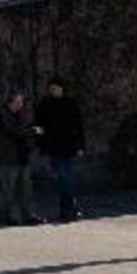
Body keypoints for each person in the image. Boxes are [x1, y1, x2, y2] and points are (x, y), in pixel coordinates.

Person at [36, 75, 85, 222]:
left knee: (68, 179)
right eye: (51, 89)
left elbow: (78, 126)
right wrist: (41, 142)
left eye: (56, 88)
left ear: (62, 88)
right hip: (54, 148)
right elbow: (38, 125)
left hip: (69, 147)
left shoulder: (71, 103)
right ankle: (70, 208)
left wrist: (81, 145)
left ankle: (69, 209)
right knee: (63, 179)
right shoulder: (45, 104)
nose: (54, 91)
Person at [0, 89, 44, 226]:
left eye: (21, 101)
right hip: (8, 158)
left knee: (26, 189)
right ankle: (5, 217)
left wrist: (33, 131)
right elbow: (17, 132)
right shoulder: (4, 116)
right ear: (10, 102)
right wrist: (33, 131)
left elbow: (32, 129)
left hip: (23, 157)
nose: (20, 104)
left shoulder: (23, 115)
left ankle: (28, 215)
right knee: (8, 190)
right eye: (17, 102)